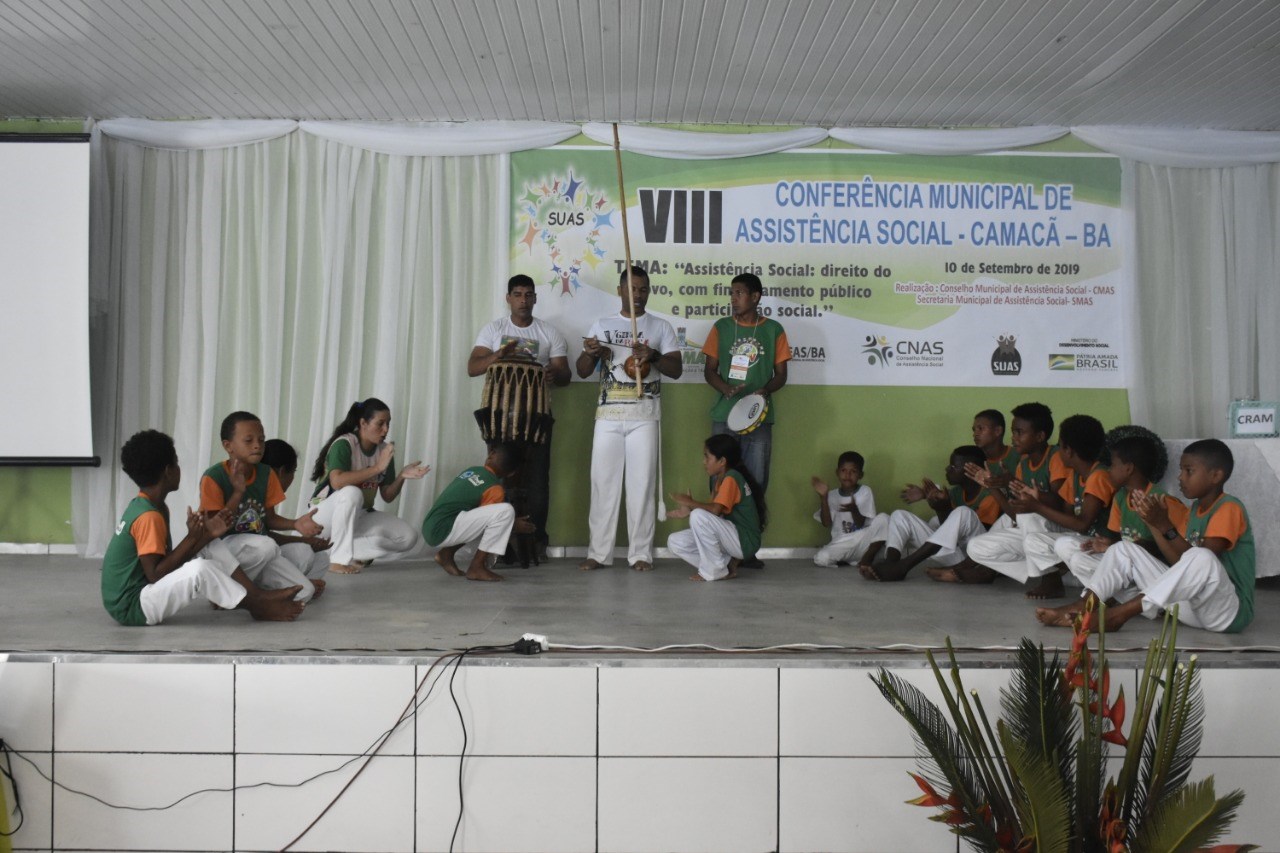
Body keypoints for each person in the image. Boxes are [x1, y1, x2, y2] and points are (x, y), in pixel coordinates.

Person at [1037, 439, 1255, 634]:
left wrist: (1165, 526)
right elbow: (1180, 563)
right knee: (1123, 549)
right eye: (1180, 470)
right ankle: (1085, 603)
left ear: (1216, 475)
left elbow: (1202, 564)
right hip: (1193, 608)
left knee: (1203, 557)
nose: (1180, 477)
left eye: (1188, 471)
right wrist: (1154, 524)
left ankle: (1118, 615)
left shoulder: (1229, 508)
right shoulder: (1195, 509)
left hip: (1226, 612)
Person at [102, 429, 304, 625]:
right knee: (199, 569)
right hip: (133, 606)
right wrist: (192, 538)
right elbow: (155, 575)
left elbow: (164, 563)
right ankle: (257, 605)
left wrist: (204, 536)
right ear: (168, 471)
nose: (179, 468)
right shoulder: (149, 516)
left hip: (144, 592)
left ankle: (255, 594)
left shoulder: (152, 506)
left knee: (210, 544)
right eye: (176, 463)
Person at [576, 266, 682, 572]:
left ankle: (640, 555)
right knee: (603, 485)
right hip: (608, 415)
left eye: (643, 289)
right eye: (632, 289)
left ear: (649, 291)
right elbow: (583, 370)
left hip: (645, 416)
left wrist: (654, 356)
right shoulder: (603, 324)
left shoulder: (661, 327)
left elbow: (674, 370)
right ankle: (598, 553)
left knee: (642, 485)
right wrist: (592, 352)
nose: (638, 295)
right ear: (620, 290)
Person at [468, 274, 570, 560]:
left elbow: (564, 375)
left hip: (536, 418)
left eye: (528, 294)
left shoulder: (549, 333)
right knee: (499, 480)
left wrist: (554, 372)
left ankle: (535, 542)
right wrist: (499, 355)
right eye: (517, 294)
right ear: (508, 298)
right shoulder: (494, 329)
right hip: (500, 420)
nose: (523, 300)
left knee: (538, 481)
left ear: (535, 298)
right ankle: (499, 546)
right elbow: (473, 367)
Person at [701, 273, 790, 568]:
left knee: (755, 483)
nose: (733, 299)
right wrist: (725, 388)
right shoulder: (722, 327)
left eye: (739, 293)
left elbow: (781, 376)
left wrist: (764, 391)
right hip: (724, 417)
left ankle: (747, 548)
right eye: (732, 293)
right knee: (719, 482)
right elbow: (709, 370)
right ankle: (719, 548)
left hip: (759, 418)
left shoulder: (774, 330)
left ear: (755, 297)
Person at [934, 402, 1069, 584]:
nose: (1013, 437)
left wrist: (1017, 485)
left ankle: (1050, 580)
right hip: (1033, 532)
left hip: (1058, 528)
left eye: (1019, 432)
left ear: (1040, 436)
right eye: (1013, 432)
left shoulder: (1055, 457)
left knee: (1028, 517)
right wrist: (992, 487)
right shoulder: (1023, 465)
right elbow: (1014, 514)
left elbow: (1061, 504)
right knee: (976, 547)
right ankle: (987, 570)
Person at [200, 411, 323, 602]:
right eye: (248, 440)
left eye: (261, 439)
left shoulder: (266, 473)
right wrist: (238, 492)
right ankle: (227, 590)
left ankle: (250, 589)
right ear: (228, 446)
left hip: (258, 550)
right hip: (226, 549)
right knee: (267, 546)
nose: (257, 445)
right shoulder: (213, 477)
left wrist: (296, 524)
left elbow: (269, 518)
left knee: (305, 592)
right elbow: (216, 528)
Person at [1052, 433, 1188, 591]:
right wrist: (1106, 544)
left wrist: (1116, 547)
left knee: (1120, 554)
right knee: (1073, 553)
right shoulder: (1121, 497)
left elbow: (1177, 553)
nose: (1108, 470)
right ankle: (1119, 597)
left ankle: (1135, 599)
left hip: (1156, 573)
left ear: (1129, 468)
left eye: (1113, 465)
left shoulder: (1164, 502)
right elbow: (1116, 540)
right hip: (1128, 566)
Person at [308, 398, 430, 574]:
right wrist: (377, 468)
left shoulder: (384, 450)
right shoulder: (345, 443)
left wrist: (402, 476)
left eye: (388, 423)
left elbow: (387, 495)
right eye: (380, 423)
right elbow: (337, 481)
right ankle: (337, 560)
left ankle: (340, 549)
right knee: (352, 492)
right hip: (323, 514)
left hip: (359, 514)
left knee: (408, 537)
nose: (386, 429)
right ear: (363, 423)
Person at [1004, 414, 1116, 599]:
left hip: (1100, 544)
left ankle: (1097, 588)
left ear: (1068, 450)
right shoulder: (1075, 475)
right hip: (1082, 539)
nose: (1058, 452)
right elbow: (1066, 514)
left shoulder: (1098, 476)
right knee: (1034, 540)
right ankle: (1055, 577)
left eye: (1060, 446)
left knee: (1064, 543)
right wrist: (1033, 500)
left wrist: (1037, 506)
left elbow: (1082, 524)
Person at [859, 445, 999, 582]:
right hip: (956, 556)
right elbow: (949, 533)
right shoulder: (956, 492)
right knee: (899, 515)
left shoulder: (990, 495)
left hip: (976, 560)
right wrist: (940, 508)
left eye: (953, 467)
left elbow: (985, 539)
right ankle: (890, 563)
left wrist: (944, 509)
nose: (947, 469)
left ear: (972, 472)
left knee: (964, 512)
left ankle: (903, 566)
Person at [421, 442, 533, 582]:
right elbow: (491, 524)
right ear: (511, 473)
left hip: (430, 525)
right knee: (506, 511)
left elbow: (478, 519)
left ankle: (446, 555)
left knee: (476, 517)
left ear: (491, 455)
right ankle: (477, 567)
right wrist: (513, 524)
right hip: (444, 529)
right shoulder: (495, 489)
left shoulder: (472, 471)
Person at [667, 434, 766, 581]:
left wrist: (691, 503)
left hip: (744, 541)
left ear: (722, 461)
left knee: (698, 516)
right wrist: (690, 509)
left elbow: (715, 510)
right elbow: (713, 517)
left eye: (707, 457)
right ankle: (723, 566)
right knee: (674, 542)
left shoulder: (732, 478)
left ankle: (714, 571)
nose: (704, 462)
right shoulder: (720, 480)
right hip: (732, 537)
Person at [262, 438, 332, 591]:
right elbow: (264, 538)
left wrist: (304, 536)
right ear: (281, 471)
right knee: (304, 553)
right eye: (293, 472)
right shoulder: (255, 489)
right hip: (247, 561)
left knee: (321, 558)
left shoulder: (263, 489)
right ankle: (290, 587)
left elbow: (267, 525)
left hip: (260, 554)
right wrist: (305, 541)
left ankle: (296, 584)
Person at [810, 451, 884, 567]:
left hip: (862, 541)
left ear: (860, 475)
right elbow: (826, 523)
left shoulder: (865, 491)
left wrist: (854, 510)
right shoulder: (832, 495)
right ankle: (847, 558)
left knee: (885, 519)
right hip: (842, 542)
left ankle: (866, 558)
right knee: (820, 559)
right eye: (843, 470)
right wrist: (824, 498)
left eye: (853, 471)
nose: (847, 475)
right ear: (837, 472)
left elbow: (860, 524)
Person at [972, 409, 1018, 476]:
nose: (975, 434)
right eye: (974, 430)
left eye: (980, 428)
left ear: (998, 431)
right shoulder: (975, 462)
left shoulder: (1019, 456)